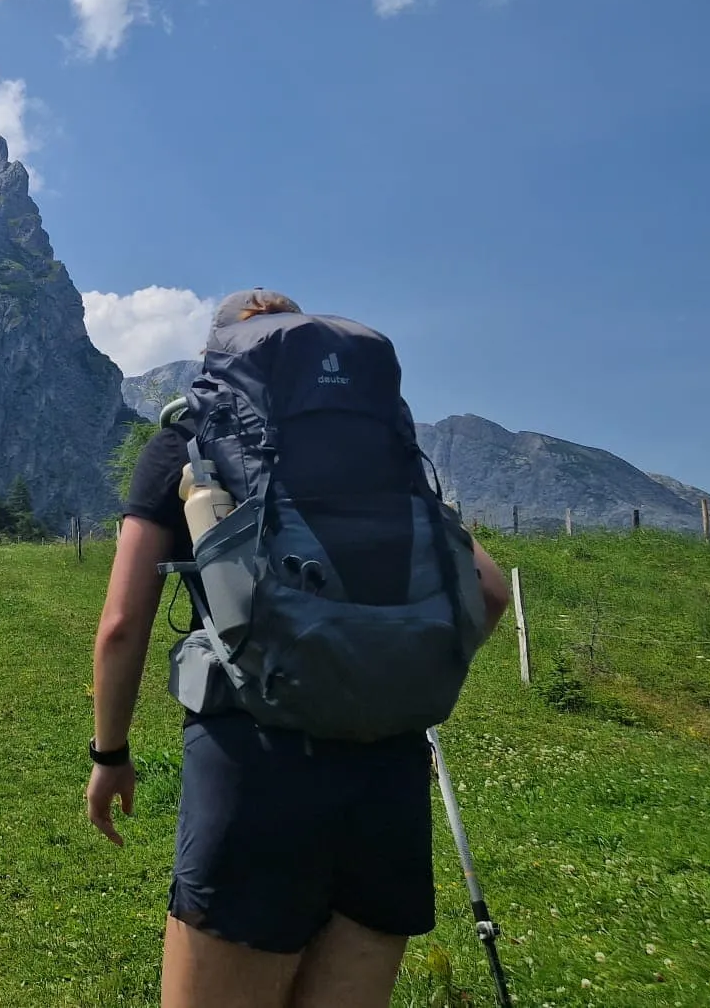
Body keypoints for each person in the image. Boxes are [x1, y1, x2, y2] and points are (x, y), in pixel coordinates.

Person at [86, 289, 510, 1008]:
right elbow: (490, 591)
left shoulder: (188, 445)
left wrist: (111, 755)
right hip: (389, 777)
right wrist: (387, 673)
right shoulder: (385, 452)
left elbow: (123, 623)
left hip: (256, 768)